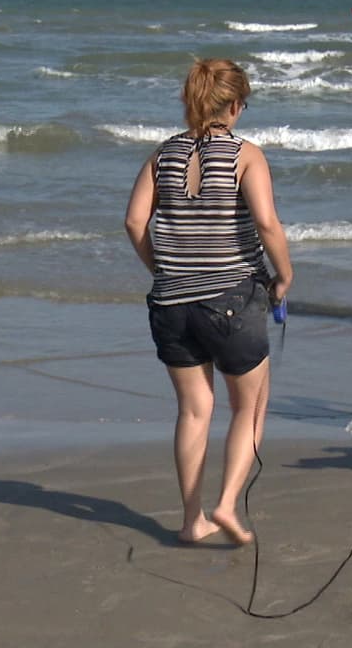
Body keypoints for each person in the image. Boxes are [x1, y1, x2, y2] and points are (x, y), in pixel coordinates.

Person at [124, 58, 293, 544]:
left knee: (195, 410)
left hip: (171, 305)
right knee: (251, 406)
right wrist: (285, 275)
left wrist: (162, 269)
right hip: (231, 300)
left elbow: (135, 223)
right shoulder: (246, 155)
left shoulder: (163, 154)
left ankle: (191, 519)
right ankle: (227, 504)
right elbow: (266, 224)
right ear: (237, 105)